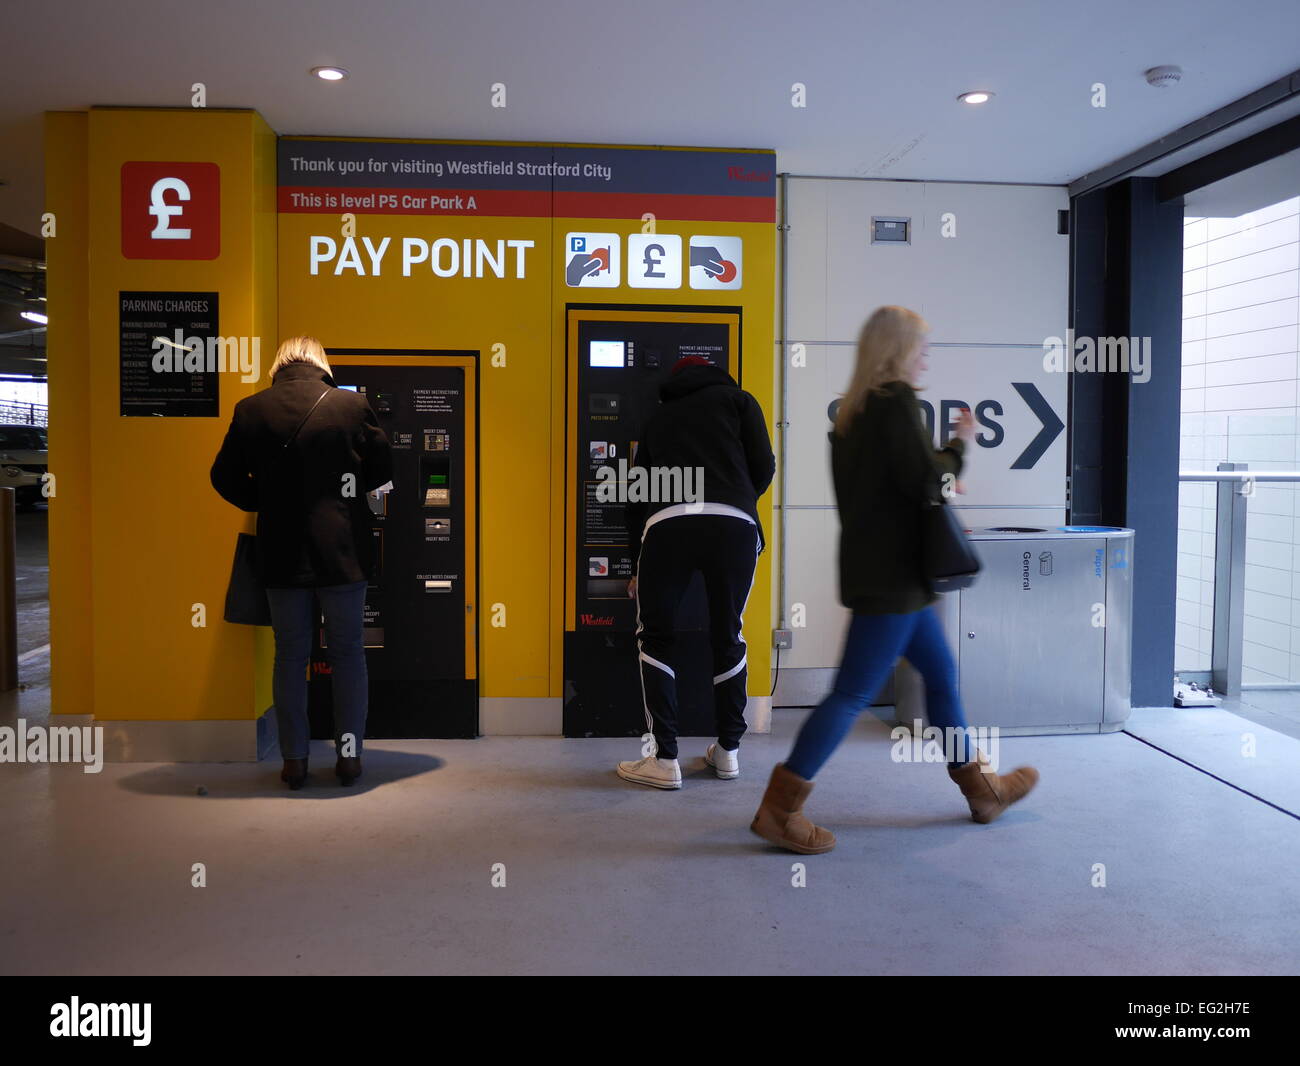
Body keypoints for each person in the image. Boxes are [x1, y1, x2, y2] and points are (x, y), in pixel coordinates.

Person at [750, 306, 1039, 853]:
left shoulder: (852, 416)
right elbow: (927, 481)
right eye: (921, 347)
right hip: (895, 584)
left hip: (879, 574)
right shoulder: (896, 402)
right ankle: (777, 810)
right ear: (898, 349)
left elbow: (893, 486)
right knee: (851, 694)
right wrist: (959, 446)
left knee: (941, 674)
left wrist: (936, 472)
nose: (927, 356)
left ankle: (981, 790)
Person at [211, 337, 392, 790]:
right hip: (344, 552)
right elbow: (383, 469)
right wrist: (348, 496)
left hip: (281, 551)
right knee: (349, 654)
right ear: (320, 363)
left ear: (280, 364)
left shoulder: (251, 409)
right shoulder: (352, 406)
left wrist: (265, 501)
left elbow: (223, 476)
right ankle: (349, 758)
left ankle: (294, 761)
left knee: (290, 657)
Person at [616, 355, 775, 789]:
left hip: (668, 525)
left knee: (655, 637)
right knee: (728, 634)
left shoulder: (659, 419)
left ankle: (664, 759)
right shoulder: (741, 402)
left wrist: (636, 564)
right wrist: (736, 497)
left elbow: (637, 495)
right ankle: (728, 753)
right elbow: (765, 466)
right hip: (734, 526)